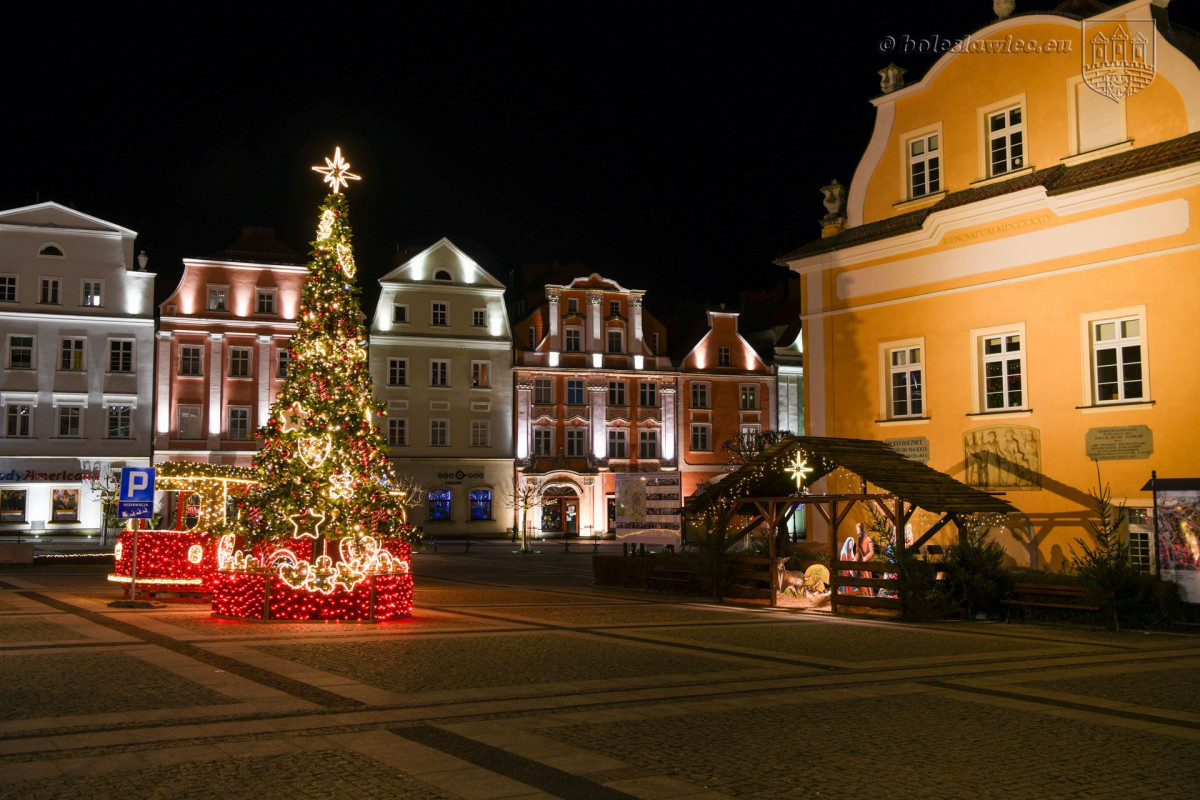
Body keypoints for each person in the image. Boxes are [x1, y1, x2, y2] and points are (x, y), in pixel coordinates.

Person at [856, 522, 876, 597]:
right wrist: (855, 558)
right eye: (856, 530)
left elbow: (872, 552)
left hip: (866, 564)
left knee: (868, 582)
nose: (857, 532)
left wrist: (866, 557)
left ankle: (870, 596)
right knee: (861, 582)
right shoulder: (858, 539)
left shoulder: (868, 539)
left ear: (861, 529)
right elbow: (857, 551)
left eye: (858, 530)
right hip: (860, 564)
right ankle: (863, 596)